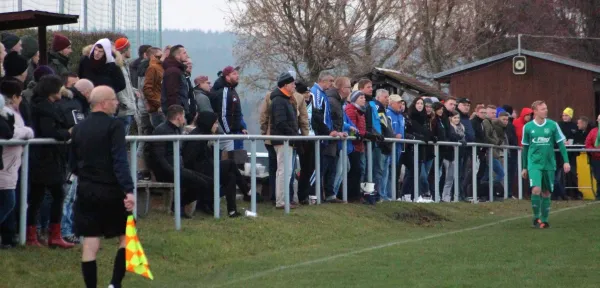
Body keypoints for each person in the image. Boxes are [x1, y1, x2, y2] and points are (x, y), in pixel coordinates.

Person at [71, 86, 135, 288]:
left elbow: (72, 161)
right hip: (111, 190)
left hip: (86, 189)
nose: (117, 103)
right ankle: (114, 284)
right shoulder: (114, 125)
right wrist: (128, 189)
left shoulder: (79, 128)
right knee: (125, 238)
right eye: (114, 100)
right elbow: (119, 160)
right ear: (103, 102)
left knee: (90, 243)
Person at [26, 75, 73, 248]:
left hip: (45, 158)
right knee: (56, 195)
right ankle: (52, 235)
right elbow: (49, 132)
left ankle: (34, 235)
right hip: (46, 159)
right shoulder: (44, 108)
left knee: (38, 197)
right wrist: (68, 133)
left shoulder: (42, 105)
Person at [145, 105, 212, 216]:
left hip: (179, 168)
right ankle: (177, 207)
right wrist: (172, 171)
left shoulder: (177, 130)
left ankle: (177, 206)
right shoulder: (161, 130)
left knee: (208, 183)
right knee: (202, 183)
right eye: (184, 116)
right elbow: (159, 157)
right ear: (179, 117)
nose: (185, 119)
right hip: (167, 171)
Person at [182, 111, 247, 217]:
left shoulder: (205, 135)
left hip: (207, 169)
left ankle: (232, 211)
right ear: (208, 123)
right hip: (199, 173)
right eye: (215, 123)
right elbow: (190, 160)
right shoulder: (197, 137)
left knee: (230, 176)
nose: (217, 126)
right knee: (230, 163)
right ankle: (247, 191)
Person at [521, 100, 570, 229]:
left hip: (549, 163)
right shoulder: (528, 127)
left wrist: (566, 161)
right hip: (534, 163)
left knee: (546, 192)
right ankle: (536, 217)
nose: (545, 111)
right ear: (535, 111)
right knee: (536, 189)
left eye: (546, 108)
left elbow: (561, 144)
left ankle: (545, 219)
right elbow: (525, 148)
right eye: (542, 109)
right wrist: (524, 167)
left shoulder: (553, 125)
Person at [0, 80, 33, 248]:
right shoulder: (8, 114)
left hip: (9, 166)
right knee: (8, 202)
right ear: (14, 97)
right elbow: (11, 134)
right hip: (6, 167)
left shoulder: (10, 114)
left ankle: (8, 238)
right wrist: (27, 132)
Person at [269, 72, 299, 209]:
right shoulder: (279, 100)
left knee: (286, 171)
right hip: (283, 140)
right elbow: (280, 122)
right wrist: (294, 134)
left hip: (287, 140)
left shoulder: (285, 99)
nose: (294, 86)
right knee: (283, 171)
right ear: (286, 84)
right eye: (292, 83)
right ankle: (281, 201)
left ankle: (282, 200)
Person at [210, 65, 246, 137]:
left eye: (237, 74)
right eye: (234, 74)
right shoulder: (224, 91)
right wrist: (228, 133)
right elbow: (223, 115)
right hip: (228, 134)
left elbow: (235, 112)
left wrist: (241, 127)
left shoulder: (231, 89)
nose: (237, 76)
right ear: (227, 77)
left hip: (235, 131)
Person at [114, 38, 138, 134]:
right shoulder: (118, 66)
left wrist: (134, 90)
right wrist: (126, 103)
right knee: (122, 140)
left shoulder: (124, 65)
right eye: (129, 48)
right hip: (124, 110)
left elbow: (126, 85)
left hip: (129, 109)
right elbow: (118, 87)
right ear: (124, 50)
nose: (130, 50)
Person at [161, 45, 191, 119]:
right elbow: (172, 94)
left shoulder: (177, 70)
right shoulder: (173, 71)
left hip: (179, 111)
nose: (187, 55)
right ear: (177, 55)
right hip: (176, 114)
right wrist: (176, 114)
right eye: (184, 53)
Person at [143, 47, 165, 127]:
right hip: (157, 110)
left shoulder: (161, 67)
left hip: (161, 107)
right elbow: (147, 89)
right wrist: (158, 104)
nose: (162, 57)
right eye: (159, 56)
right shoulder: (152, 68)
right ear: (153, 56)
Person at [584, 114, 600, 201]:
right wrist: (594, 150)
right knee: (598, 177)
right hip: (596, 159)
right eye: (598, 119)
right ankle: (599, 195)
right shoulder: (593, 131)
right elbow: (587, 143)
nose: (599, 121)